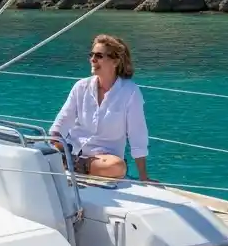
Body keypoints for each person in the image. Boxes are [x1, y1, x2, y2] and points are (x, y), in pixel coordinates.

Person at [49, 34, 152, 182]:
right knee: (46, 147)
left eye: (99, 56)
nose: (92, 59)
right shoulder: (81, 87)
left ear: (115, 61)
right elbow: (63, 121)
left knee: (118, 166)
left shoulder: (130, 92)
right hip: (72, 150)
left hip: (104, 161)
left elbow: (138, 136)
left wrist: (143, 177)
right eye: (91, 55)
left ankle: (70, 164)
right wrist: (52, 143)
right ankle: (70, 162)